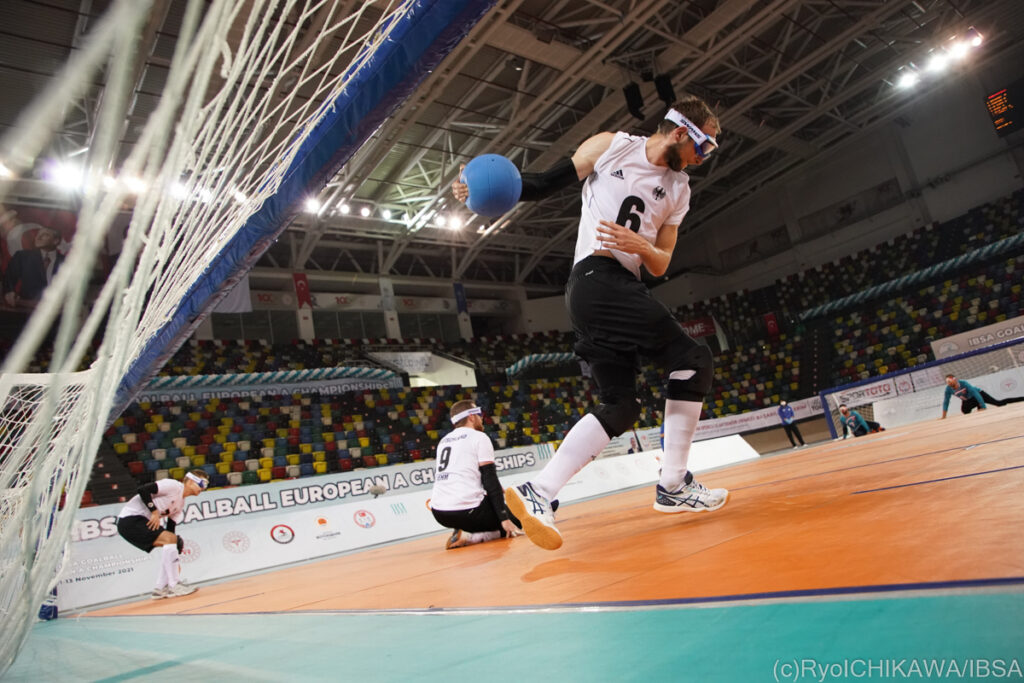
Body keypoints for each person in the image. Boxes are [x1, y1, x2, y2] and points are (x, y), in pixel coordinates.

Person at [452, 96, 728, 551]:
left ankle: (538, 494)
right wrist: (478, 185)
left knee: (621, 406)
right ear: (680, 132)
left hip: (614, 285)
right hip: (597, 279)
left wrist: (639, 246)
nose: (704, 157)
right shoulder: (612, 146)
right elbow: (542, 184)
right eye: (704, 146)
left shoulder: (680, 190)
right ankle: (674, 485)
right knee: (694, 359)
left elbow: (660, 264)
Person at [430, 399, 522, 549]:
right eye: (479, 414)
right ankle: (473, 536)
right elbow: (489, 479)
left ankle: (463, 528)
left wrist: (497, 488)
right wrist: (504, 519)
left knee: (488, 506)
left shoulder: (444, 441)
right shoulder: (479, 437)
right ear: (471, 417)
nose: (482, 418)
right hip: (466, 510)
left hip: (439, 512)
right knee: (516, 520)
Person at [116, 470, 208, 598]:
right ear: (191, 481)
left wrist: (174, 560)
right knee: (171, 540)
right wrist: (154, 512)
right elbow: (143, 489)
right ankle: (174, 585)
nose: (204, 488)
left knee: (174, 542)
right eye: (202, 484)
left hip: (142, 522)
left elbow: (171, 532)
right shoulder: (173, 486)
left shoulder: (180, 504)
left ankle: (160, 588)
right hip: (130, 519)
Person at [3, 225, 63, 307]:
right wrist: (9, 293)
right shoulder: (22, 257)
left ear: (56, 241)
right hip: (25, 308)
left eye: (45, 235)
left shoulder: (67, 261)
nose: (38, 237)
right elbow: (8, 279)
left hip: (57, 309)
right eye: (38, 234)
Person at [941, 373, 1024, 417]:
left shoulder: (963, 383)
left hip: (979, 394)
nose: (949, 383)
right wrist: (944, 416)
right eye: (947, 382)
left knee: (999, 403)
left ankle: (1021, 398)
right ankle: (978, 405)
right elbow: (946, 402)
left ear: (955, 380)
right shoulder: (948, 389)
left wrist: (983, 406)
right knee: (965, 411)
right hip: (968, 400)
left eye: (950, 381)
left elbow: (975, 393)